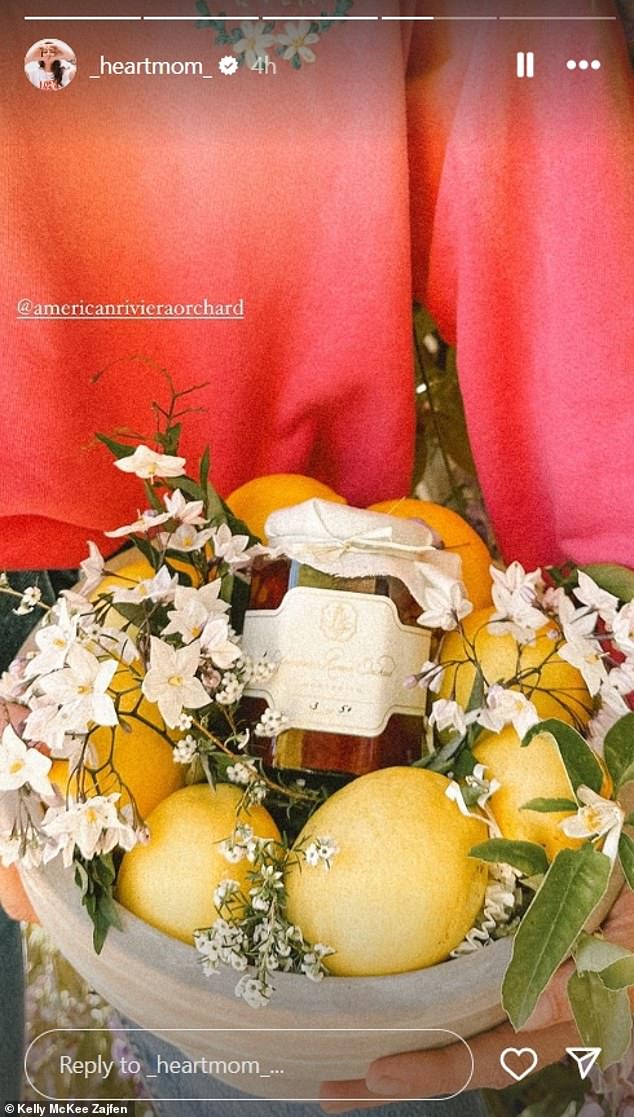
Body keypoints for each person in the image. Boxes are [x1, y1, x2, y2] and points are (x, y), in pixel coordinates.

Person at [1, 0, 632, 1112]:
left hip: (302, 587)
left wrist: (620, 681)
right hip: (61, 614)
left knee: (289, 1064)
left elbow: (546, 182)